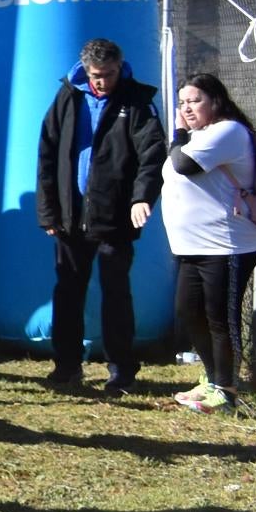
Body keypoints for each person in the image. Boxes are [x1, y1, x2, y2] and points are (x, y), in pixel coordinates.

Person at [35, 38, 166, 393]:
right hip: (70, 216)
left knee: (116, 293)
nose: (103, 81)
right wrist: (48, 211)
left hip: (114, 217)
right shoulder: (68, 96)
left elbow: (152, 154)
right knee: (67, 292)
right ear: (86, 70)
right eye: (96, 75)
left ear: (120, 67)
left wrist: (142, 198)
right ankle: (66, 366)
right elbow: (47, 152)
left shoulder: (137, 101)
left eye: (109, 74)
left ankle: (121, 370)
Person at [161, 70, 256, 412]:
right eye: (181, 103)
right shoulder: (198, 136)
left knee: (220, 317)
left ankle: (228, 391)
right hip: (191, 247)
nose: (187, 108)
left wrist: (177, 132)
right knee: (189, 312)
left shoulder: (228, 131)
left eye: (194, 101)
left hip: (227, 245)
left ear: (215, 101)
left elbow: (183, 165)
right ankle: (211, 378)